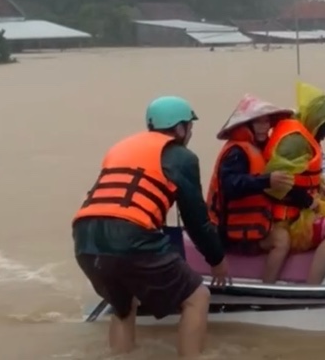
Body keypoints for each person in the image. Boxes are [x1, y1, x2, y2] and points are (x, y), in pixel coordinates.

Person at [72, 96, 229, 359]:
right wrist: (217, 259)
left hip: (85, 237)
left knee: (123, 307)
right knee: (197, 297)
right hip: (130, 236)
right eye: (190, 126)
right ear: (180, 128)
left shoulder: (122, 147)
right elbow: (196, 220)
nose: (190, 133)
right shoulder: (181, 156)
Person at [263, 80, 325, 285]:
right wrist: (308, 201)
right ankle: (314, 286)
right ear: (317, 122)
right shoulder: (294, 140)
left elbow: (302, 172)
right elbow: (275, 185)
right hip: (285, 219)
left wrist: (320, 185)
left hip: (297, 211)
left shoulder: (302, 135)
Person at [207, 94, 297, 283]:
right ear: (246, 126)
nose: (265, 126)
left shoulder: (257, 150)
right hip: (229, 233)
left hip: (252, 225)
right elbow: (231, 185)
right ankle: (268, 287)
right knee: (281, 240)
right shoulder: (237, 152)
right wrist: (267, 181)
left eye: (267, 122)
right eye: (258, 122)